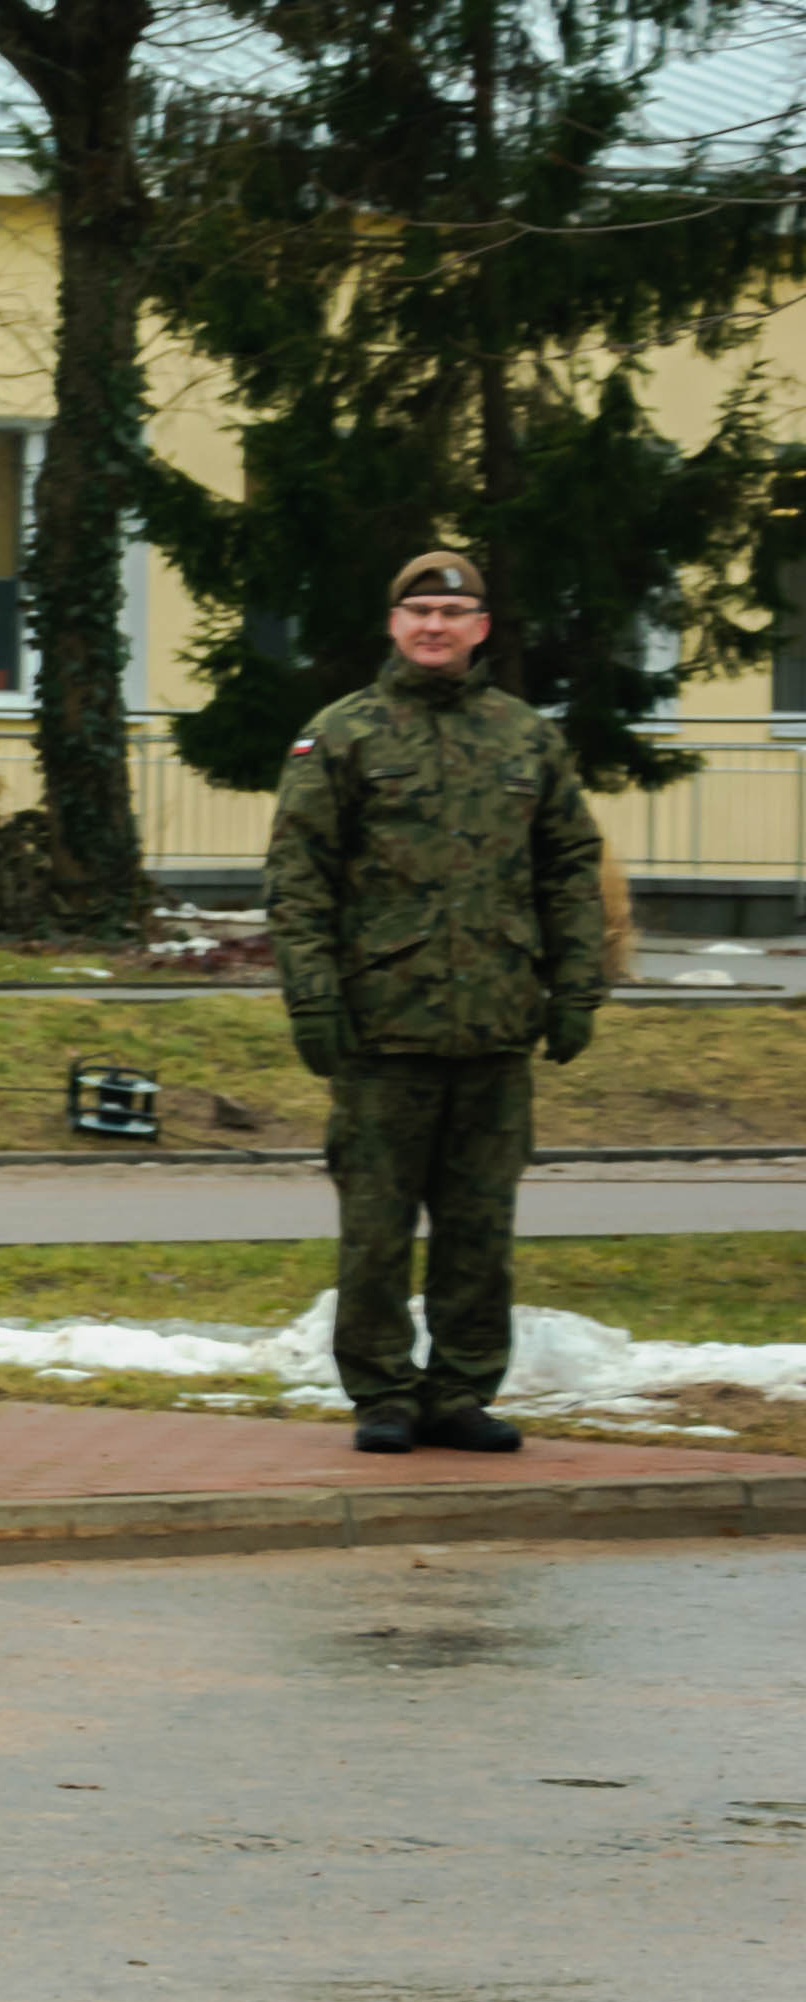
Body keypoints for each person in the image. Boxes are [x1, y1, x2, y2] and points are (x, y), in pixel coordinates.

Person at [268, 542, 608, 1455]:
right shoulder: (343, 735)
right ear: (394, 624)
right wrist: (312, 998)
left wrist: (578, 986)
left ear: (480, 628)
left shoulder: (526, 738)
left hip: (496, 1027)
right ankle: (382, 1393)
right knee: (376, 1232)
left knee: (479, 1230)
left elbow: (571, 868)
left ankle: (461, 1391)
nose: (435, 626)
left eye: (453, 614)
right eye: (419, 612)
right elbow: (299, 877)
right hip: (381, 1029)